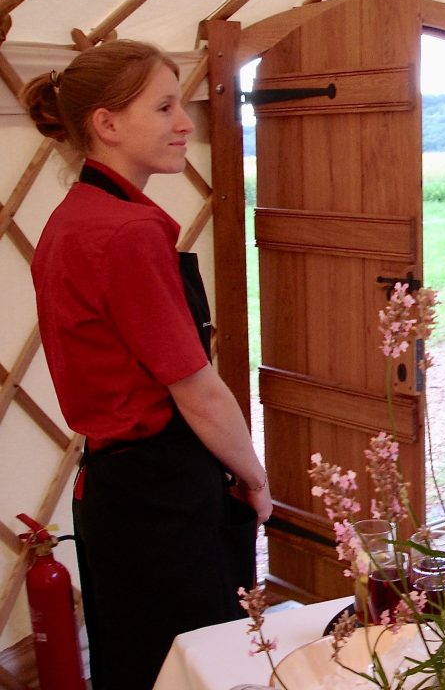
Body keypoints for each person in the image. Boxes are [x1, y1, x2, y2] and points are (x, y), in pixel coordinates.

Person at [21, 39, 272, 690]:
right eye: (163, 108)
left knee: (134, 662)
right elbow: (198, 390)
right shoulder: (128, 233)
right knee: (198, 667)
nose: (184, 122)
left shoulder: (65, 223)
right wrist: (254, 477)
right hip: (165, 498)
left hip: (109, 490)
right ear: (106, 124)